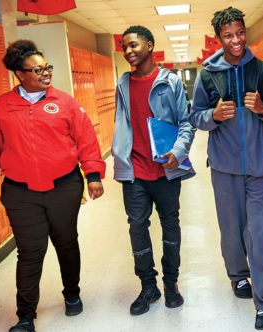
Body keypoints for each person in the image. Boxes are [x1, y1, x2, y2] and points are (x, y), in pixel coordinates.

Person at [0, 39, 106, 332]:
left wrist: (93, 176)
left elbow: (86, 142)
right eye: (38, 69)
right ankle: (26, 316)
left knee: (66, 243)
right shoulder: (3, 107)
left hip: (64, 187)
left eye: (48, 67)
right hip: (20, 192)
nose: (46, 73)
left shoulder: (65, 102)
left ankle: (72, 294)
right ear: (20, 74)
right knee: (30, 252)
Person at [189, 7, 263, 330]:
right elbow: (196, 117)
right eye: (228, 36)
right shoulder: (207, 75)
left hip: (260, 167)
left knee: (260, 234)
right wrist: (213, 117)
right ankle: (238, 275)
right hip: (224, 168)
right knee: (232, 232)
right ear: (218, 39)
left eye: (240, 33)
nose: (236, 40)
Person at [111, 25, 195, 316]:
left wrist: (179, 151)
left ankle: (171, 283)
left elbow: (186, 122)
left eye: (134, 44)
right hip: (133, 171)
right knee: (137, 228)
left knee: (170, 226)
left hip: (165, 170)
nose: (129, 51)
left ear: (149, 45)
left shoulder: (169, 82)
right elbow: (122, 123)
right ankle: (148, 285)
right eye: (124, 46)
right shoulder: (122, 84)